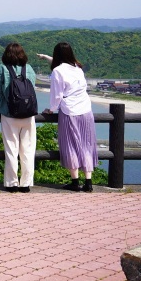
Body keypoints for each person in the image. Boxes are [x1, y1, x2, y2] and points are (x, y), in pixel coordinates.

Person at [39, 42, 98, 192]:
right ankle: (88, 182)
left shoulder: (58, 71)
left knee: (71, 145)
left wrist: (51, 109)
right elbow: (63, 65)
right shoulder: (78, 68)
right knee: (87, 144)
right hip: (86, 110)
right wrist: (46, 57)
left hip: (70, 111)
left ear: (57, 55)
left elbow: (57, 95)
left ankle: (75, 181)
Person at [0, 42, 37, 193]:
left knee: (11, 149)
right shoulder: (29, 69)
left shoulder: (3, 69)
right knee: (28, 149)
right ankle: (25, 184)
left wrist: (1, 107)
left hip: (9, 115)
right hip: (28, 115)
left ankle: (12, 183)